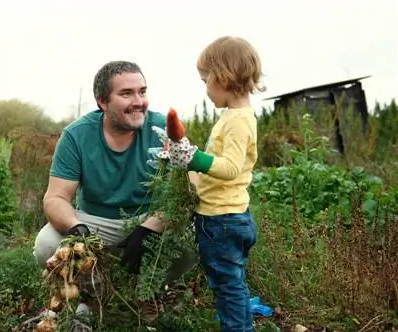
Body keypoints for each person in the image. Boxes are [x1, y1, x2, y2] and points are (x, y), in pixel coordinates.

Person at [33, 60, 195, 330]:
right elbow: (55, 198)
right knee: (47, 244)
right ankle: (91, 294)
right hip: (96, 221)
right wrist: (77, 229)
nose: (138, 101)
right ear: (102, 102)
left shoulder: (162, 128)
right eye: (126, 94)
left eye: (142, 91)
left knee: (192, 242)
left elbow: (189, 188)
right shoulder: (76, 135)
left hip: (149, 218)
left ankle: (148, 289)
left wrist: (151, 227)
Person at [151, 36, 264, 331]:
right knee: (231, 278)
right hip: (230, 216)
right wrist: (185, 159)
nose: (205, 88)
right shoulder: (234, 117)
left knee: (226, 283)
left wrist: (192, 157)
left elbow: (229, 168)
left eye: (205, 80)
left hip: (221, 220)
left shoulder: (238, 120)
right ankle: (238, 313)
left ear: (222, 76)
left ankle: (238, 325)